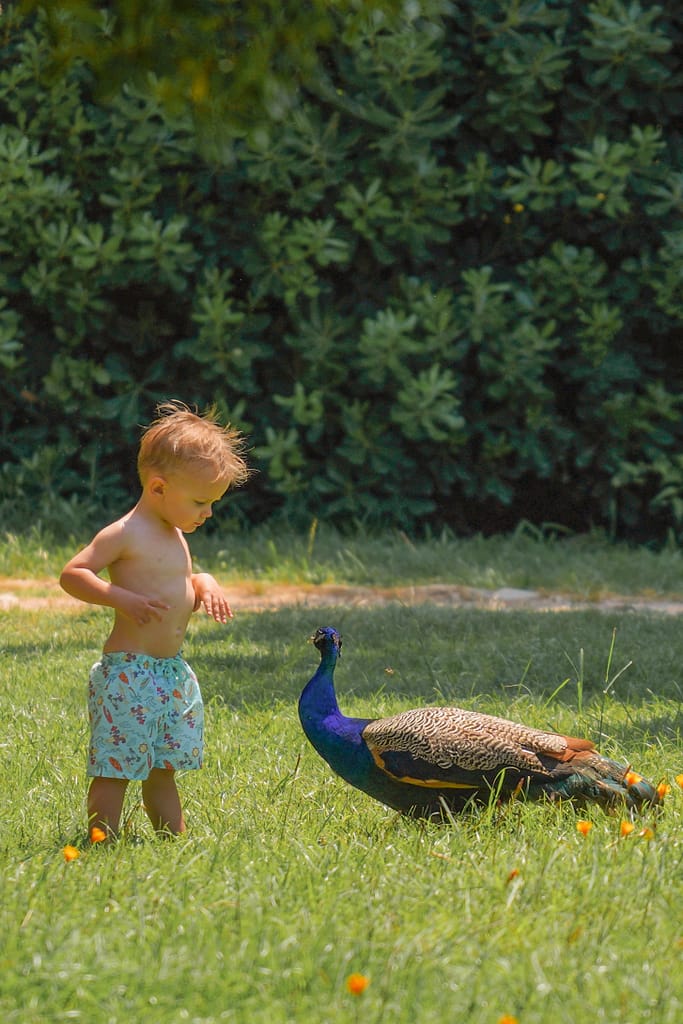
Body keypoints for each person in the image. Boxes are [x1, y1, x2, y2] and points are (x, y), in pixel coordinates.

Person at [60, 401, 250, 839]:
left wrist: (205, 581)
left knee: (164, 767)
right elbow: (73, 574)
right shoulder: (125, 533)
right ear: (160, 488)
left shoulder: (175, 532)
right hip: (129, 672)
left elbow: (180, 579)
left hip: (170, 672)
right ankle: (101, 840)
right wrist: (119, 597)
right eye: (202, 501)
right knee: (116, 767)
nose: (208, 512)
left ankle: (173, 840)